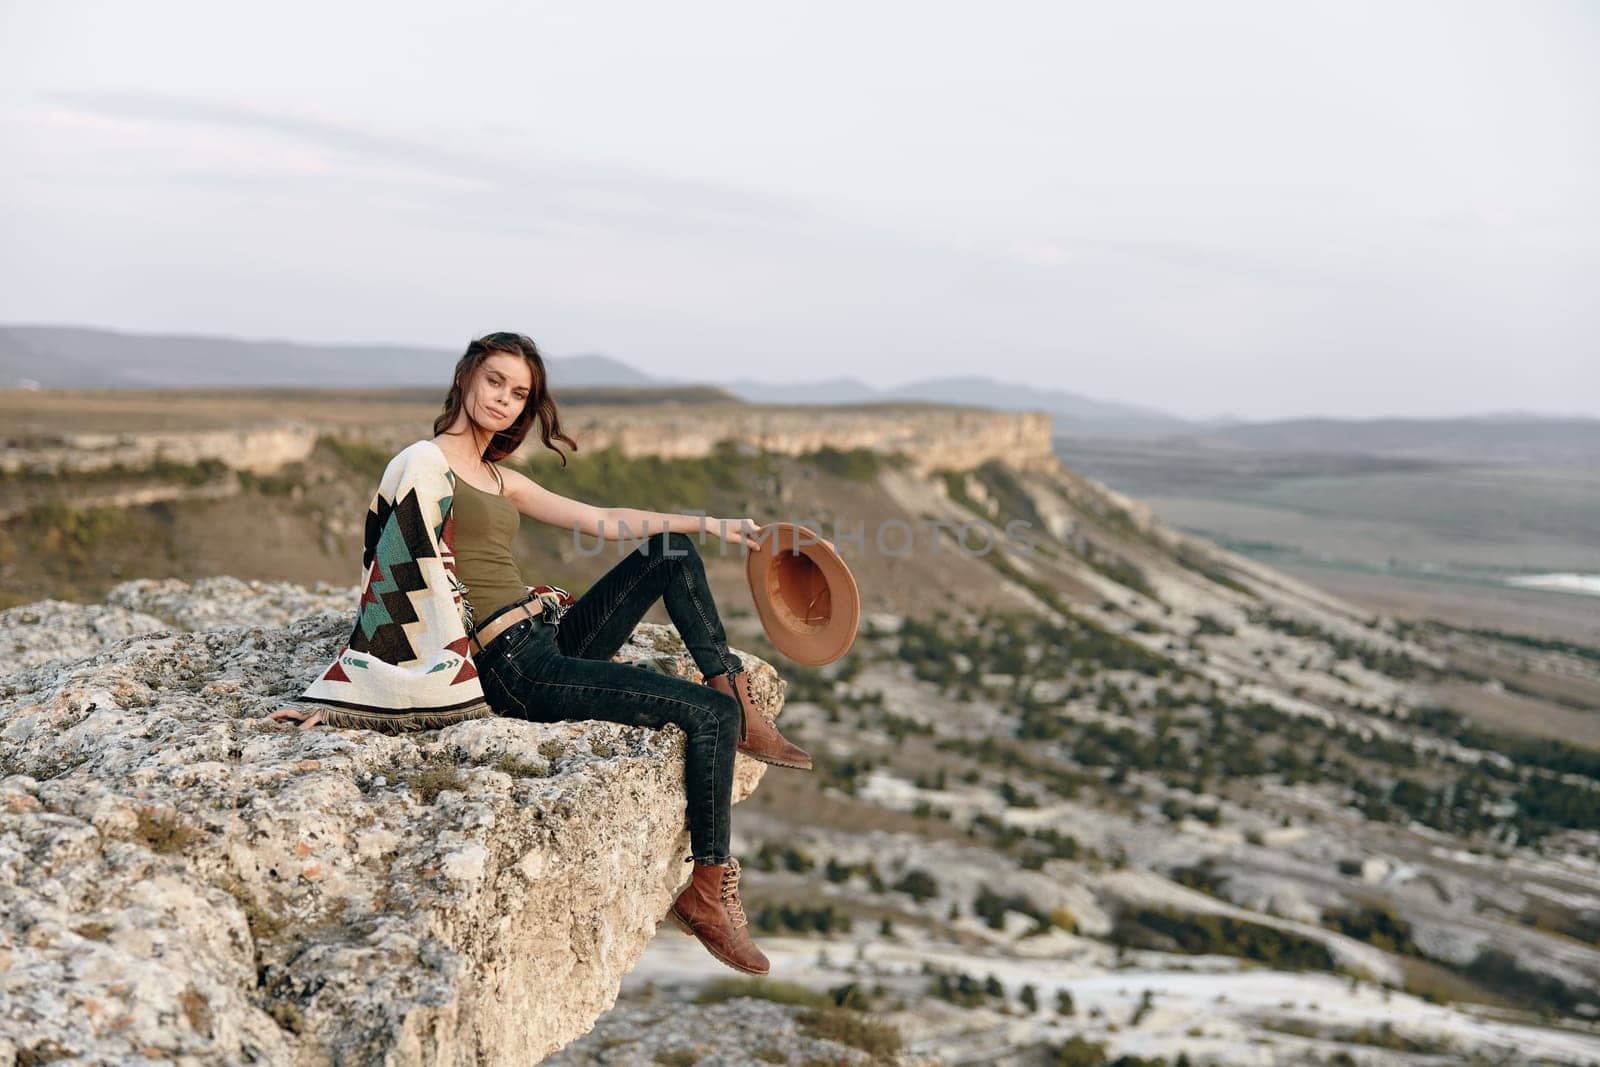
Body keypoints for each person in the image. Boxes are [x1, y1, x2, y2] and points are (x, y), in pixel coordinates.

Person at [267, 331, 812, 976]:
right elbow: (395, 574)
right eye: (495, 381)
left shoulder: (500, 478)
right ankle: (706, 890)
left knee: (670, 552)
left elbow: (604, 519)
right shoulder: (423, 462)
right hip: (514, 668)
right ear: (468, 378)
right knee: (706, 721)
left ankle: (734, 691)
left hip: (546, 635)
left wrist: (709, 524)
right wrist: (343, 697)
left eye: (519, 392)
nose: (503, 399)